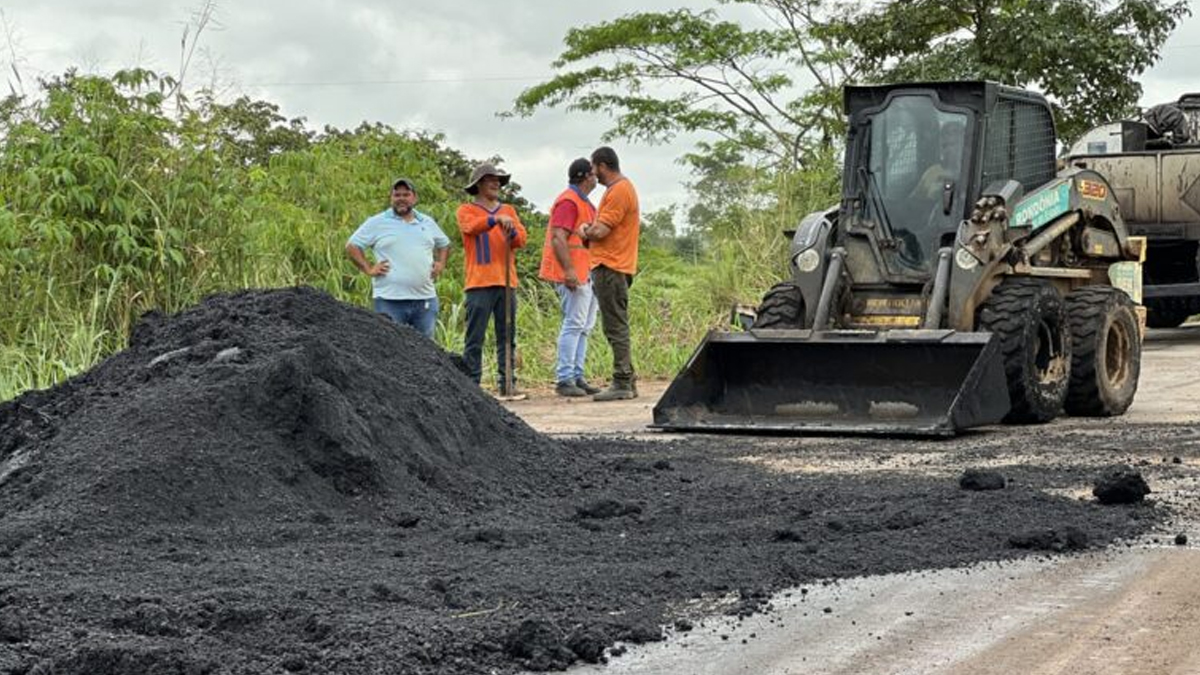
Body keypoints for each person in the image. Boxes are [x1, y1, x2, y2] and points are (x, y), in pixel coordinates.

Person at [345, 178, 450, 339]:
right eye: (397, 195)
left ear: (414, 198)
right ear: (391, 198)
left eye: (406, 194)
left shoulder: (427, 222)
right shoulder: (377, 222)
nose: (401, 198)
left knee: (426, 354)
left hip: (425, 301)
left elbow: (444, 243)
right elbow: (352, 246)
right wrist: (368, 268)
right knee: (390, 352)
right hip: (389, 301)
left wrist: (441, 263)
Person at [456, 163, 528, 394]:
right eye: (491, 180)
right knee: (474, 336)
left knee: (507, 336)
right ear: (478, 184)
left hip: (506, 282)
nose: (496, 183)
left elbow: (521, 240)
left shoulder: (509, 210)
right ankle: (472, 383)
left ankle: (507, 383)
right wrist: (494, 221)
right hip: (478, 283)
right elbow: (470, 227)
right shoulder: (466, 210)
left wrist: (512, 231)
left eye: (498, 180)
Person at [580, 146, 640, 401]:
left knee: (615, 326)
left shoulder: (618, 192)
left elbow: (601, 231)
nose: (592, 174)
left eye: (594, 168)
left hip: (610, 266)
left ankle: (622, 381)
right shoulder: (621, 190)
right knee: (615, 324)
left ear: (603, 166)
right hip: (615, 265)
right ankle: (627, 378)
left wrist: (585, 230)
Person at [539, 158, 601, 397]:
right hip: (573, 273)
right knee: (574, 324)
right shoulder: (569, 201)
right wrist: (568, 271)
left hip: (585, 272)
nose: (596, 178)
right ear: (586, 176)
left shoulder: (585, 203)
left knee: (584, 326)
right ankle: (565, 378)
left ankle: (576, 375)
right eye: (593, 174)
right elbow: (558, 238)